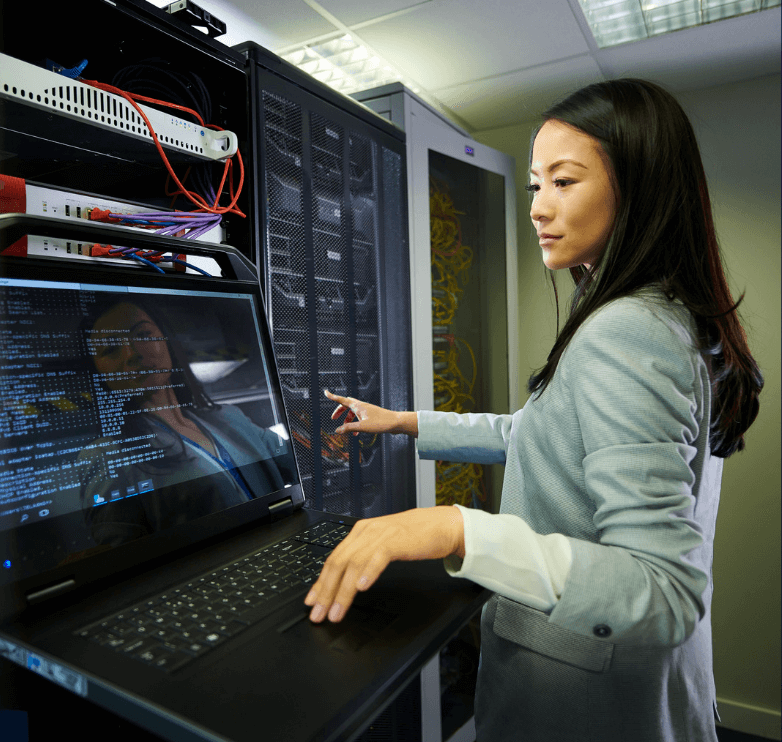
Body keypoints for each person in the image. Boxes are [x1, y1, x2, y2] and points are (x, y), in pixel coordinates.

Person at [302, 79, 764, 742]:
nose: (539, 209)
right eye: (535, 185)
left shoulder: (626, 330)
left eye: (565, 182)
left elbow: (663, 589)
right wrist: (402, 422)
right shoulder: (665, 312)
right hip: (640, 689)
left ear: (638, 188)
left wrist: (460, 531)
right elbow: (539, 432)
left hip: (586, 702)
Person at [78, 299, 296, 546]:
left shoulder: (228, 416)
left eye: (143, 334)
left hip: (281, 547)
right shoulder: (105, 456)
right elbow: (122, 560)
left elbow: (297, 459)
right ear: (98, 373)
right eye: (111, 349)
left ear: (166, 340)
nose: (132, 354)